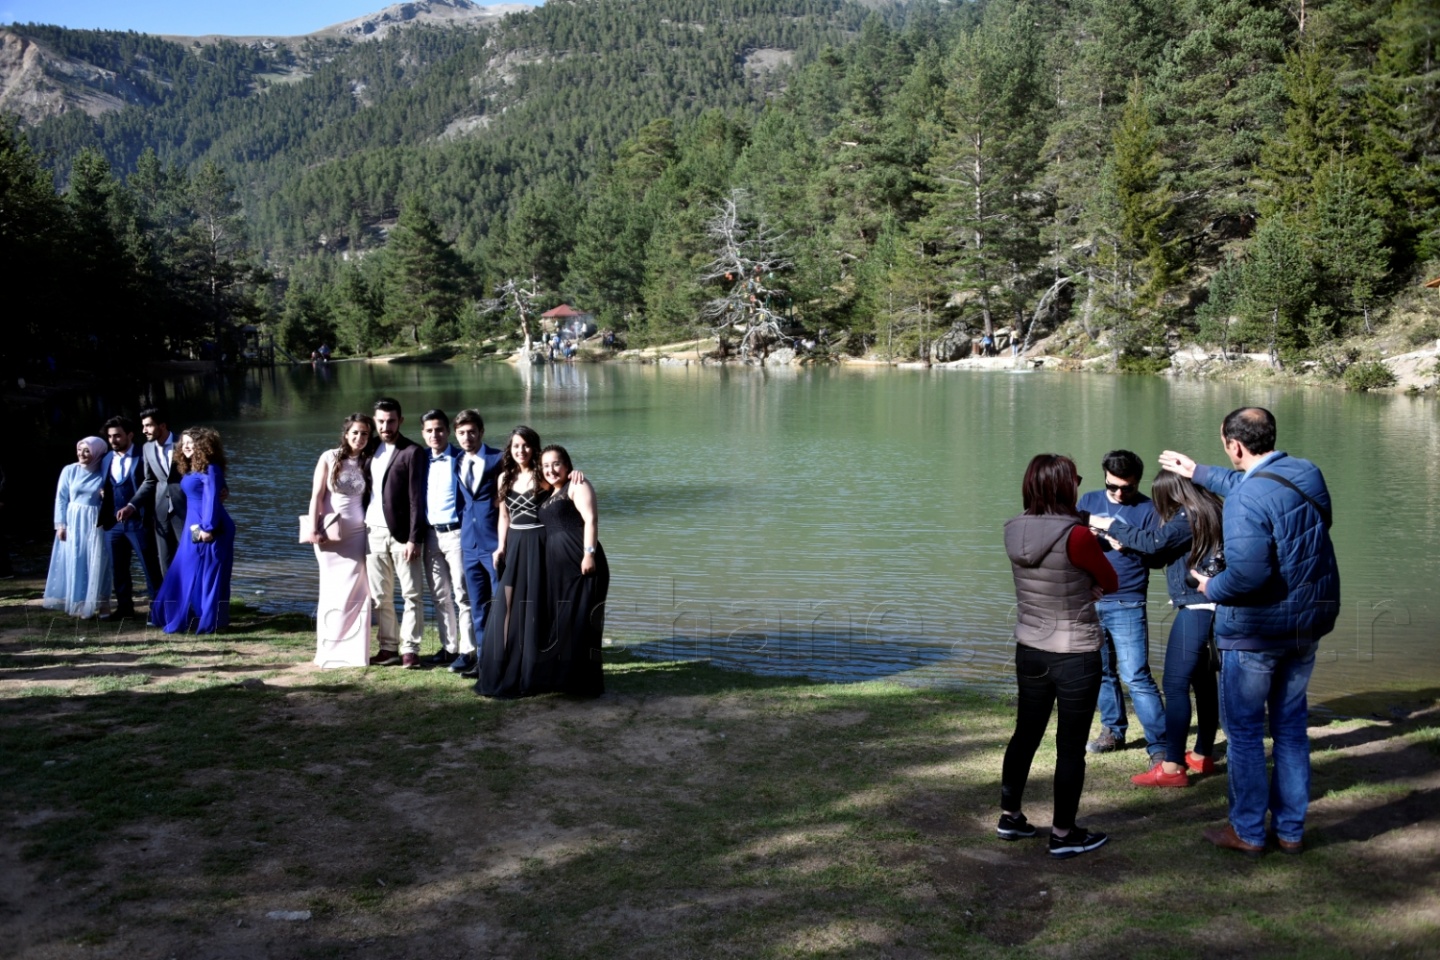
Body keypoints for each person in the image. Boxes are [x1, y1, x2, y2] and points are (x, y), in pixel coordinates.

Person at [1160, 407, 1340, 857]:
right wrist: (1199, 472)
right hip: (1307, 624)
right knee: (1291, 728)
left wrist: (1208, 585)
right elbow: (1258, 485)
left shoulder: (1245, 501)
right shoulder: (1306, 474)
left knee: (1243, 733)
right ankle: (1291, 831)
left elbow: (1247, 577)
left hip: (1256, 634)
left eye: (1226, 445)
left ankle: (1249, 831)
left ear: (1234, 445)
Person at [999, 454, 1117, 859]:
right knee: (1069, 746)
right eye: (1076, 479)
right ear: (1063, 486)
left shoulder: (1013, 530)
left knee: (1025, 734)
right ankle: (1064, 834)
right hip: (1075, 652)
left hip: (1030, 648)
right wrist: (1090, 585)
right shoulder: (1078, 536)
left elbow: (1048, 576)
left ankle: (1010, 815)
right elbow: (1111, 580)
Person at [1090, 471, 1224, 787]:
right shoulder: (1209, 510)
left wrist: (1110, 524)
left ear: (1170, 493)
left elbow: (1154, 542)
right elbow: (1161, 553)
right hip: (1213, 607)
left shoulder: (1187, 515)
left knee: (1175, 684)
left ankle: (1172, 767)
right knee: (1204, 682)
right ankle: (1203, 756)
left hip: (1197, 608)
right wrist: (1126, 547)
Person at [1077, 450, 1166, 762]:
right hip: (1089, 600)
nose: (1118, 493)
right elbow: (1068, 539)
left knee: (1136, 676)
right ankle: (1112, 731)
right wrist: (1092, 533)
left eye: (1126, 488)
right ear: (1104, 476)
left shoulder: (1150, 510)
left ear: (1137, 483)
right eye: (1112, 486)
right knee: (1100, 672)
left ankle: (1160, 746)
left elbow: (1157, 557)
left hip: (1128, 600)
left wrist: (1128, 538)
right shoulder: (1086, 502)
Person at [476, 426, 550, 698]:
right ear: (510, 449)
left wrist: (576, 476)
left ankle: (537, 667)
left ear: (534, 447)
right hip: (515, 545)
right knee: (509, 605)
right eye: (517, 446)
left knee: (537, 601)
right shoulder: (504, 477)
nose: (522, 450)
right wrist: (501, 547)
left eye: (527, 445)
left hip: (539, 543)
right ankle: (508, 664)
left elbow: (564, 495)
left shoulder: (543, 475)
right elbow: (504, 517)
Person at [537, 445, 609, 696]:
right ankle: (564, 679)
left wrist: (589, 553)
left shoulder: (577, 485)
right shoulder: (547, 493)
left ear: (567, 464)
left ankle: (585, 684)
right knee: (564, 620)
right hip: (557, 567)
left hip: (580, 561)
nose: (551, 469)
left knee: (581, 621)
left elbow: (591, 519)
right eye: (545, 465)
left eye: (556, 463)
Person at [149, 428, 235, 634]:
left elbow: (212, 498)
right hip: (194, 526)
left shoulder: (210, 468)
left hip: (210, 529)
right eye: (184, 443)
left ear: (203, 445)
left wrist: (208, 528)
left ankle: (212, 620)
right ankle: (186, 613)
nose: (185, 446)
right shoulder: (192, 468)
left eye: (191, 443)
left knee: (209, 574)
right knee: (183, 569)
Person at [305, 413, 375, 667]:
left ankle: (355, 652)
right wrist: (314, 529)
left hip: (358, 533)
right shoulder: (329, 457)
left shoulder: (370, 459)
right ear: (346, 434)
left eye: (365, 433)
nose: (359, 437)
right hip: (329, 534)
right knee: (333, 591)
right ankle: (330, 648)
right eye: (355, 432)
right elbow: (316, 495)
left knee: (359, 591)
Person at [365, 398, 428, 668]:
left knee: (412, 593)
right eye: (381, 421)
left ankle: (410, 649)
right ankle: (388, 647)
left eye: (391, 421)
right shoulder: (369, 449)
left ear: (400, 421)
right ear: (374, 421)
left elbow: (417, 500)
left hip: (403, 535)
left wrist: (414, 538)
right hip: (372, 532)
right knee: (381, 596)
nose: (386, 426)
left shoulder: (412, 451)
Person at [419, 410, 476, 671]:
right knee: (440, 596)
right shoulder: (421, 461)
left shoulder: (462, 458)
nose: (435, 434)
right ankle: (449, 648)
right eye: (429, 430)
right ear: (423, 433)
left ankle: (469, 650)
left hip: (456, 533)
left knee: (463, 594)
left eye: (439, 429)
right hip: (431, 535)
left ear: (447, 432)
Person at [452, 409, 505, 677]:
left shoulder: (499, 459)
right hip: (469, 546)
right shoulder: (457, 460)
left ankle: (505, 660)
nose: (467, 437)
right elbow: (462, 503)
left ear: (481, 432)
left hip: (494, 544)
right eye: (461, 433)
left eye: (471, 431)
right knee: (478, 606)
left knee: (503, 604)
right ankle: (485, 662)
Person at [43, 437, 114, 619]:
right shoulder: (70, 470)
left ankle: (103, 602)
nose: (82, 454)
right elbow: (61, 498)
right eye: (80, 450)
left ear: (97, 452)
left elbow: (114, 496)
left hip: (95, 520)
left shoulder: (104, 471)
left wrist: (105, 496)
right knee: (78, 559)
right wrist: (60, 525)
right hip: (74, 520)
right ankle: (80, 602)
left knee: (99, 560)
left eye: (87, 451)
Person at [100, 415, 161, 621]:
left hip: (140, 522)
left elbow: (153, 485)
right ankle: (125, 608)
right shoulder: (107, 459)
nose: (113, 440)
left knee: (150, 567)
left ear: (130, 435)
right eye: (110, 437)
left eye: (118, 436)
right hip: (113, 524)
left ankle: (157, 610)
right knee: (118, 568)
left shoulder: (144, 455)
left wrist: (140, 510)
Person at [118, 407, 185, 577]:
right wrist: (132, 506)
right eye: (143, 426)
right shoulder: (147, 448)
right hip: (161, 511)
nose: (144, 430)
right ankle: (172, 601)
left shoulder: (184, 444)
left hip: (185, 510)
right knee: (166, 561)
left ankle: (195, 601)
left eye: (148, 426)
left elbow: (201, 473)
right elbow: (149, 481)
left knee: (190, 558)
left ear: (162, 426)